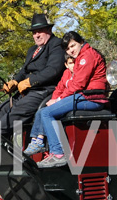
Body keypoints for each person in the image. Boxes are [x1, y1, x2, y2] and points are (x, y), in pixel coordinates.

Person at [23, 31, 109, 168]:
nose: (71, 51)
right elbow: (67, 85)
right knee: (45, 110)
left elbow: (78, 84)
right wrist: (57, 98)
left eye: (73, 46)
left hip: (92, 98)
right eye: (68, 49)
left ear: (81, 42)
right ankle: (40, 142)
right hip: (86, 96)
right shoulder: (82, 56)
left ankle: (58, 153)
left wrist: (58, 100)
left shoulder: (87, 56)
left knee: (47, 113)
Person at [0, 13, 66, 139]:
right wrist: (14, 82)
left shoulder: (56, 44)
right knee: (1, 109)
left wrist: (30, 81)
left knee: (17, 111)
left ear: (49, 30)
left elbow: (53, 70)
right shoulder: (32, 50)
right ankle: (1, 144)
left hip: (44, 90)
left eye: (40, 31)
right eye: (34, 32)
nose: (36, 35)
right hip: (27, 92)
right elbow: (24, 70)